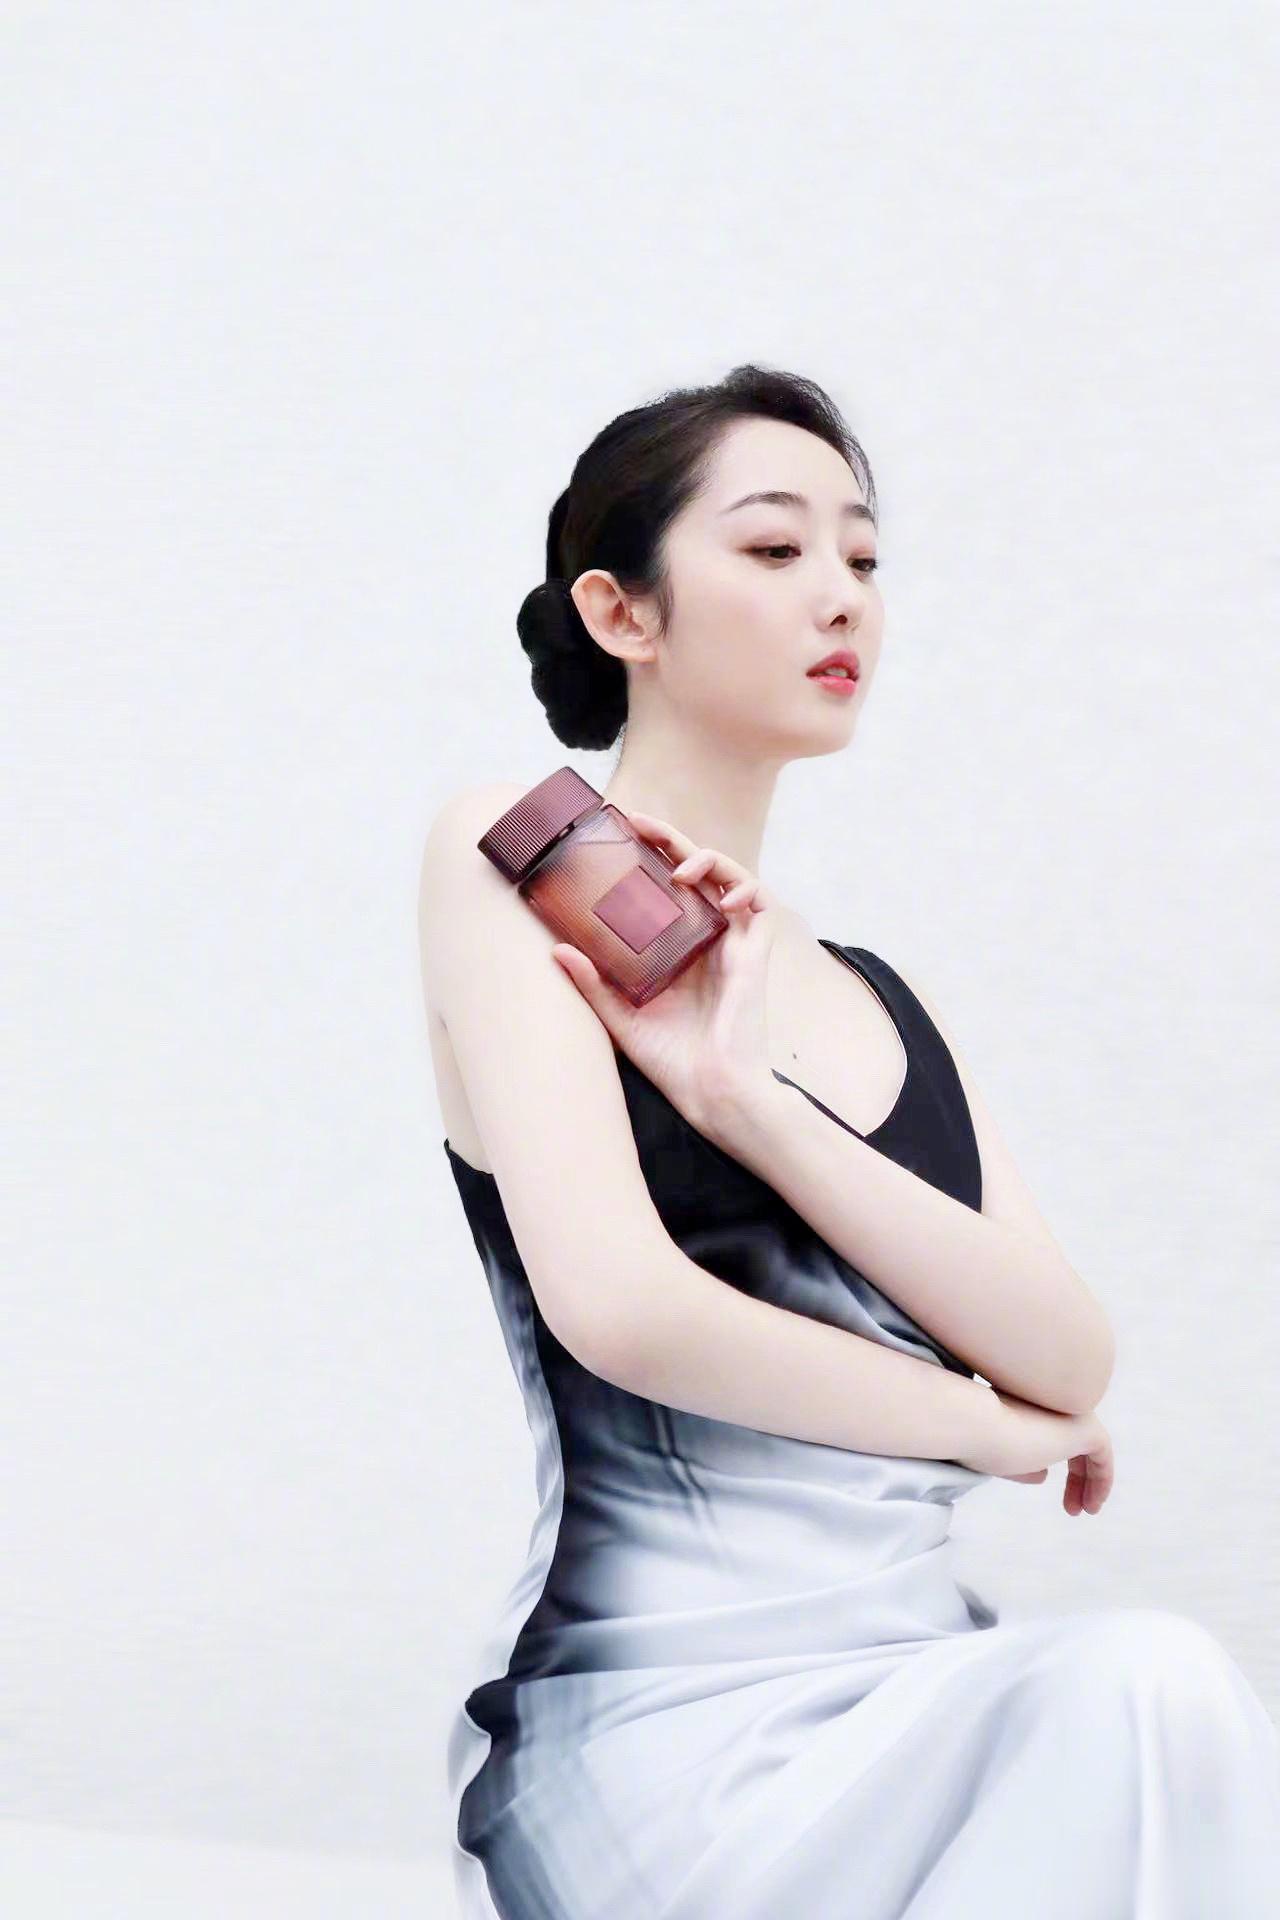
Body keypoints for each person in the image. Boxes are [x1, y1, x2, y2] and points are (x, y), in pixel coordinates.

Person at [418, 365, 1280, 1918]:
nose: (841, 597)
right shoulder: (528, 853)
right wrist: (976, 1425)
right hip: (660, 1729)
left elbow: (1071, 1354)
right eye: (774, 548)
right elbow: (620, 1308)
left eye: (864, 558)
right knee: (1142, 1689)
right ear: (622, 612)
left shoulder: (874, 999)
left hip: (915, 1693)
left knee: (1153, 1691)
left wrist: (752, 1104)